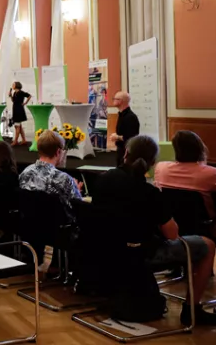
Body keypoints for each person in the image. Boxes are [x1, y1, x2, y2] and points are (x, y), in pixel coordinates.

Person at [90, 135, 216, 325]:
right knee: (208, 245)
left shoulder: (103, 179)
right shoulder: (149, 193)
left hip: (105, 248)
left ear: (126, 153)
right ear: (152, 162)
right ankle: (192, 309)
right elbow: (172, 235)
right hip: (141, 253)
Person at [19, 130, 83, 221]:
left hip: (28, 229)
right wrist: (76, 190)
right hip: (58, 232)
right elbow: (78, 211)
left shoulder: (25, 173)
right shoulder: (64, 179)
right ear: (58, 152)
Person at [155, 130, 216, 222]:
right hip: (204, 224)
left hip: (171, 222)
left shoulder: (161, 167)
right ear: (199, 148)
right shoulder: (212, 173)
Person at [109, 91, 139, 166]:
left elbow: (131, 137)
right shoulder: (122, 115)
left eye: (115, 99)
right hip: (120, 149)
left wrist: (117, 137)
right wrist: (117, 135)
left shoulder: (130, 117)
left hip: (127, 152)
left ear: (121, 101)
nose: (113, 100)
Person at [8, 82, 32, 146]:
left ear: (17, 85)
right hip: (15, 109)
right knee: (19, 126)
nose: (12, 85)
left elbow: (29, 96)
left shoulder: (21, 92)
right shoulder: (14, 93)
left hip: (19, 110)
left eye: (13, 84)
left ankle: (15, 141)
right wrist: (10, 95)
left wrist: (25, 103)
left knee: (17, 126)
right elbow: (13, 101)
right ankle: (24, 140)